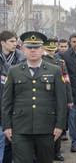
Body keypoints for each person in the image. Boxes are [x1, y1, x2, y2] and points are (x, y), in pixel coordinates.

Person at [2, 31, 66, 163]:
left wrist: (60, 125)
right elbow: (7, 101)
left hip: (47, 127)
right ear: (23, 50)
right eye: (29, 47)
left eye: (36, 47)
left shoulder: (54, 70)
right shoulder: (13, 71)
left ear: (42, 50)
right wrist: (6, 126)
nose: (33, 51)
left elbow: (61, 100)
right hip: (20, 128)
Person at [42, 39, 74, 161]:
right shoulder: (40, 61)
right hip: (44, 99)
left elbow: (66, 82)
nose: (51, 52)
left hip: (58, 99)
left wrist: (69, 99)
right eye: (48, 50)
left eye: (52, 50)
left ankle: (56, 152)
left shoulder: (60, 63)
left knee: (58, 126)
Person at [0, 30, 26, 163]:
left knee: (15, 143)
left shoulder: (22, 59)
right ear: (2, 43)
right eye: (11, 41)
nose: (15, 44)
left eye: (16, 41)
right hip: (1, 107)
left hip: (17, 108)